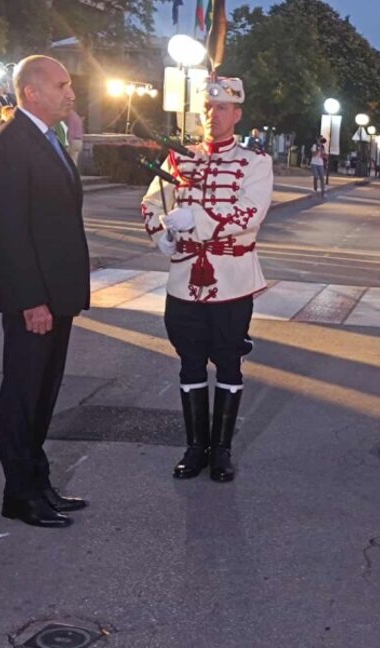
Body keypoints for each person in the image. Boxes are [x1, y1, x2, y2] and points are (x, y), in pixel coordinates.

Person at [140, 76, 273, 483]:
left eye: (221, 108)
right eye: (207, 108)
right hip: (183, 279)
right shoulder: (179, 159)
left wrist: (195, 220)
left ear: (237, 113)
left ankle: (222, 450)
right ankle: (195, 446)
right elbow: (151, 202)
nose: (213, 116)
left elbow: (250, 212)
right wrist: (160, 235)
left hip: (231, 281)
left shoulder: (255, 162)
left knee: (229, 362)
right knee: (190, 362)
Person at [0, 55, 90, 528]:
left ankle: (38, 481)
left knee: (45, 393)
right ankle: (19, 494)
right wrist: (32, 300)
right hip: (36, 299)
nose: (71, 93)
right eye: (62, 85)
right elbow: (10, 231)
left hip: (57, 293)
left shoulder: (49, 138)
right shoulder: (9, 144)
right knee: (23, 394)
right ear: (32, 92)